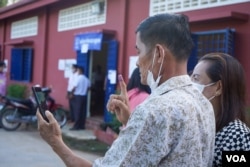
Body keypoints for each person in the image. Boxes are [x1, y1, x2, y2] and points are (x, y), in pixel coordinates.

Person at [36, 13, 215, 166]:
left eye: (139, 51)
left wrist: (54, 141)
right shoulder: (203, 103)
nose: (137, 62)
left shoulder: (154, 110)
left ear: (159, 54)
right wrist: (131, 121)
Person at [191, 52, 250, 167]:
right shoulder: (198, 125)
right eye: (191, 76)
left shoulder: (238, 138)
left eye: (196, 78)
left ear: (218, 87)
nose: (189, 83)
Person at [70, 65, 90, 130]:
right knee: (83, 112)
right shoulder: (86, 79)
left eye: (78, 70)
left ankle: (76, 126)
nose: (77, 71)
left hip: (78, 96)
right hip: (84, 96)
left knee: (77, 112)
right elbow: (89, 88)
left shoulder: (78, 78)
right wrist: (84, 91)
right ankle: (82, 125)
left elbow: (74, 87)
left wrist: (71, 94)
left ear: (80, 71)